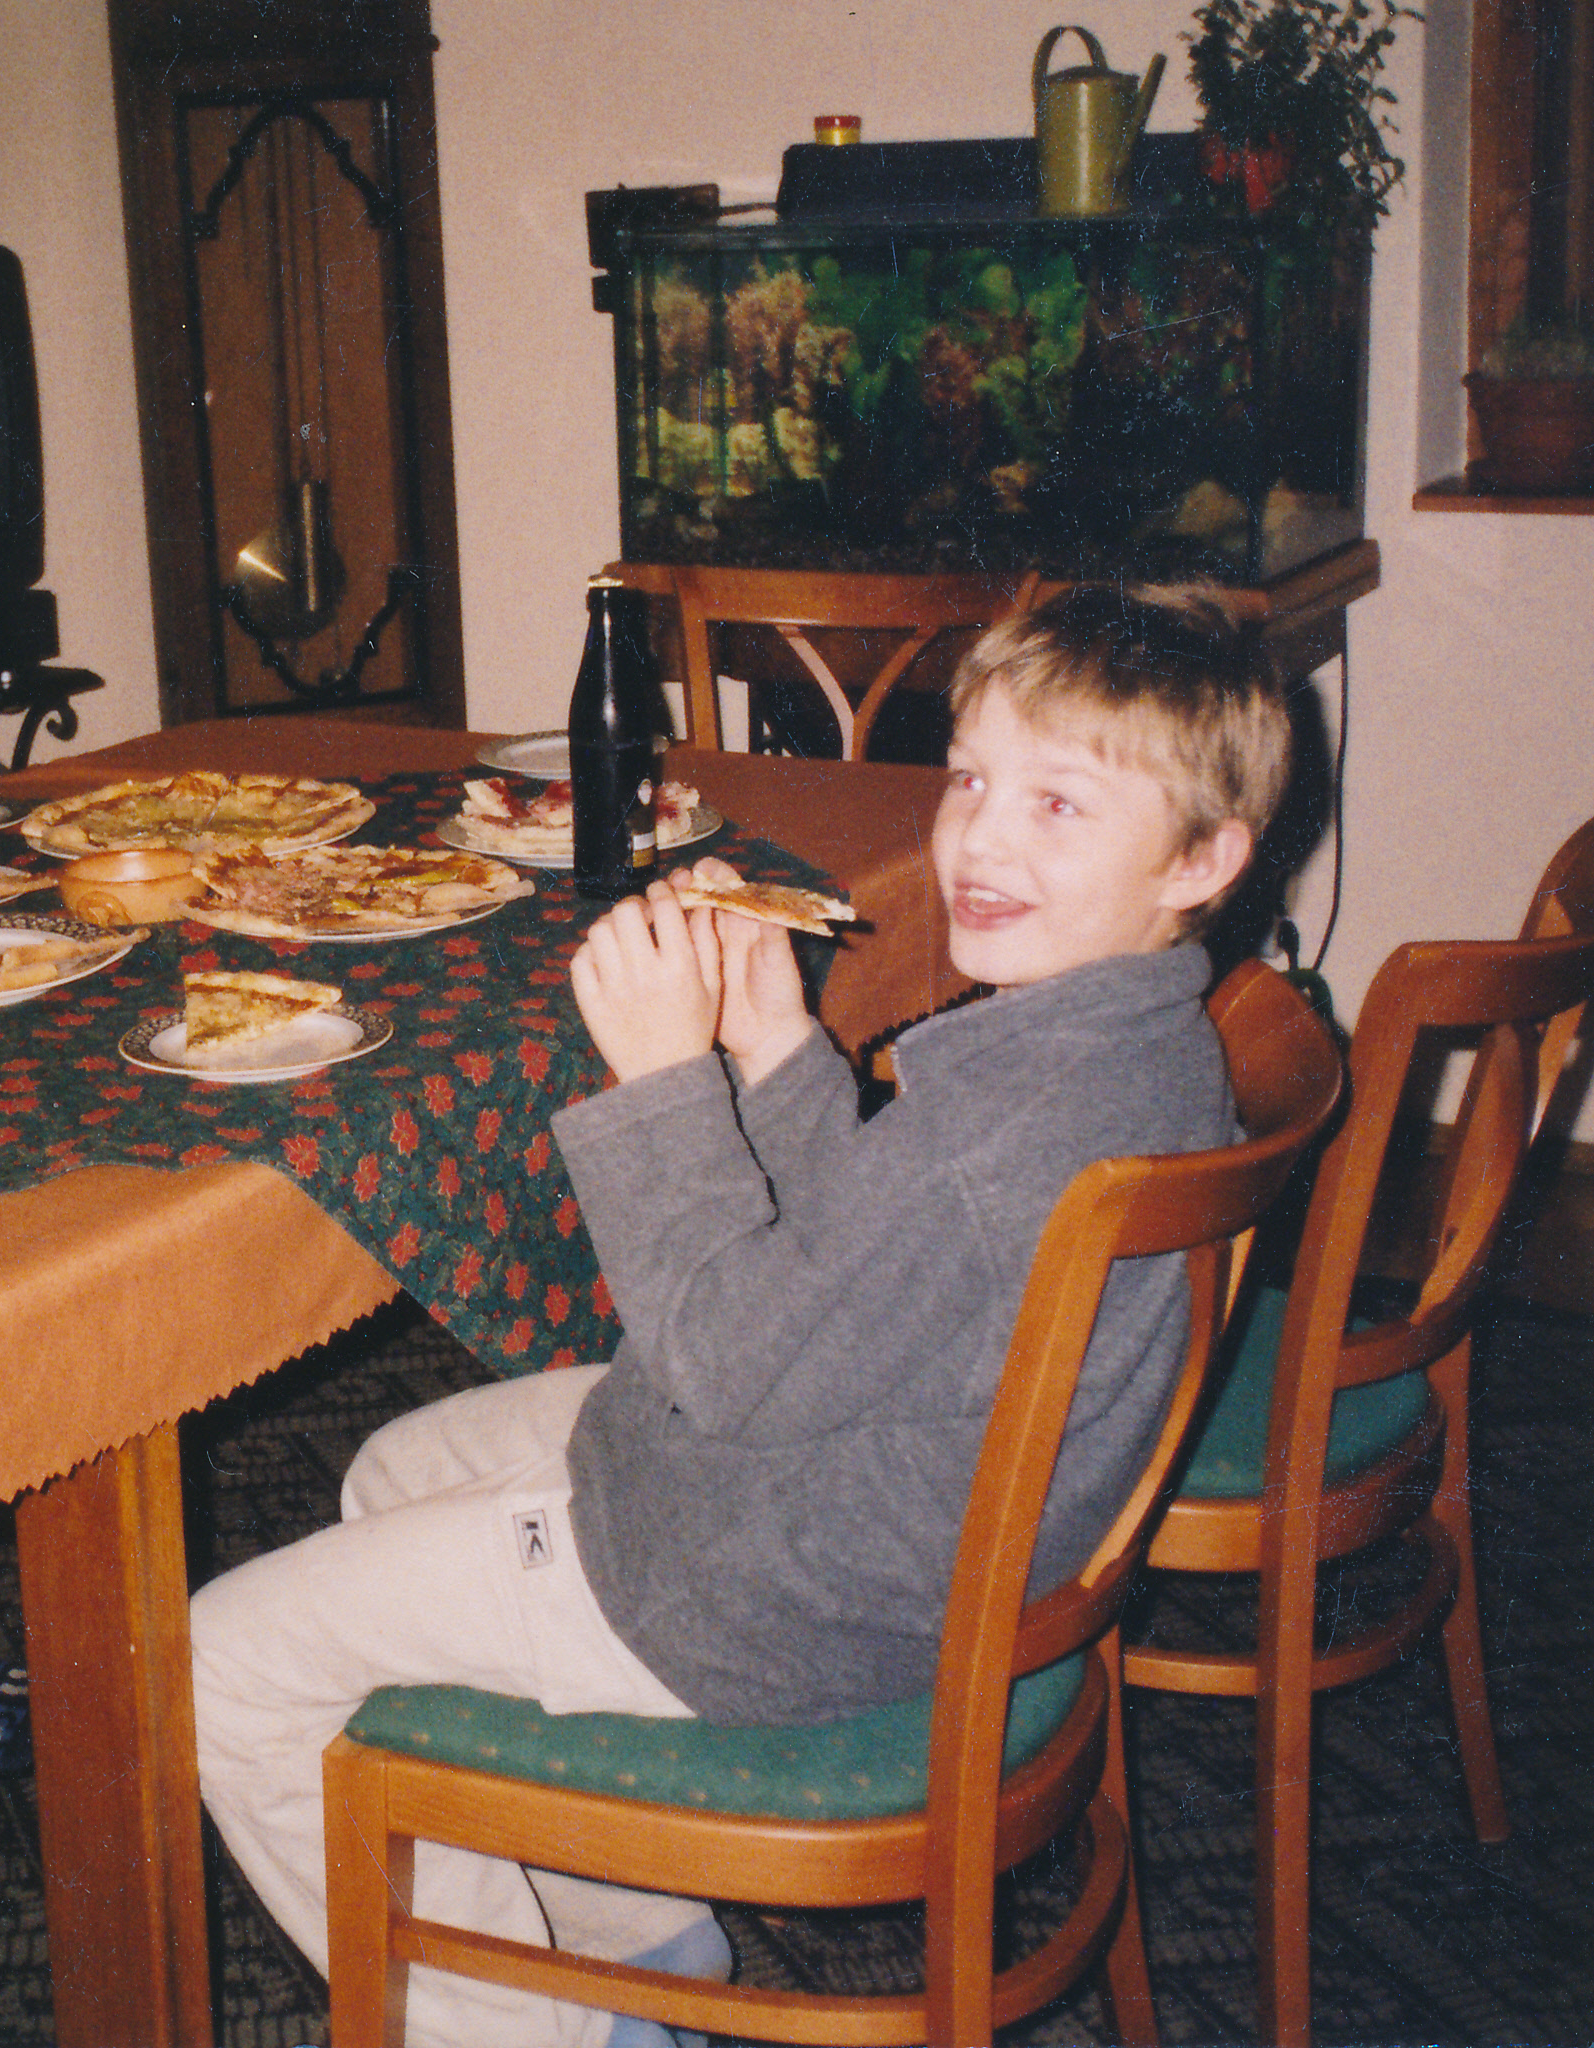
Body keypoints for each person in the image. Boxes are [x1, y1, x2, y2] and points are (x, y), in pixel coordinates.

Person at [188, 584, 1290, 2048]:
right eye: (970, 779)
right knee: (395, 1466)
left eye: (1058, 804)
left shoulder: (1003, 1134)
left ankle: (552, 2037)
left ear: (1203, 857)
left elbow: (723, 1361)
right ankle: (637, 1932)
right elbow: (864, 1259)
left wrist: (663, 1080)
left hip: (770, 1593)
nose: (982, 839)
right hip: (867, 1512)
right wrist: (773, 1041)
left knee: (217, 1662)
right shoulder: (1117, 1040)